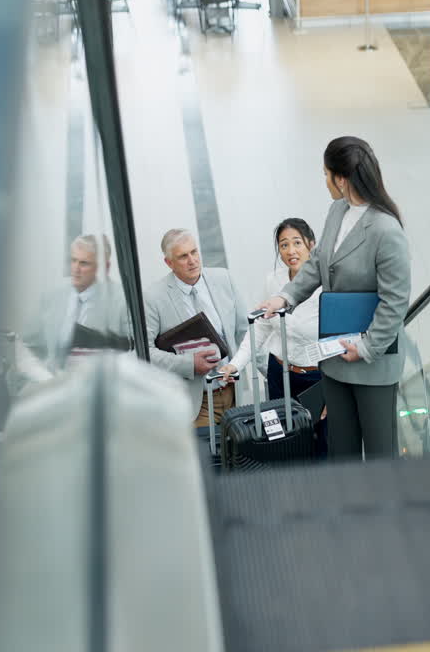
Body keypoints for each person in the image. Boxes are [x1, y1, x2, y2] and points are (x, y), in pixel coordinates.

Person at [258, 136, 410, 460]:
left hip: (372, 360)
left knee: (381, 452)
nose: (324, 181)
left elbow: (395, 300)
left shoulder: (386, 229)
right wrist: (284, 299)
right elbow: (317, 262)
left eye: (326, 174)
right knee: (342, 450)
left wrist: (368, 347)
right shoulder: (337, 210)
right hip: (336, 354)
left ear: (341, 178)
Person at [217, 218, 327, 453]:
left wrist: (333, 392)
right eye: (284, 244)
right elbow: (261, 328)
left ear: (311, 244)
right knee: (285, 446)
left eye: (297, 243)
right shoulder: (273, 280)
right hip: (279, 374)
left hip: (317, 378)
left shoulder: (327, 283)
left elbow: (339, 338)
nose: (290, 251)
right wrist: (235, 365)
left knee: (321, 446)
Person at [145, 228, 248, 427]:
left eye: (194, 252)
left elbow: (245, 332)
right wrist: (189, 364)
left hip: (234, 393)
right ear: (169, 263)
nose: (192, 260)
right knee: (205, 458)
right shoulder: (153, 298)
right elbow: (143, 352)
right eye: (183, 256)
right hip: (195, 404)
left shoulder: (223, 279)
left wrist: (267, 372)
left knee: (241, 456)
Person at [8, 234, 130, 394]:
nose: (75, 269)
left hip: (96, 392)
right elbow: (29, 346)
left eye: (84, 263)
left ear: (103, 268)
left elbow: (133, 354)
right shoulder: (52, 298)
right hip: (49, 387)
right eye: (73, 261)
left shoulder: (121, 301)